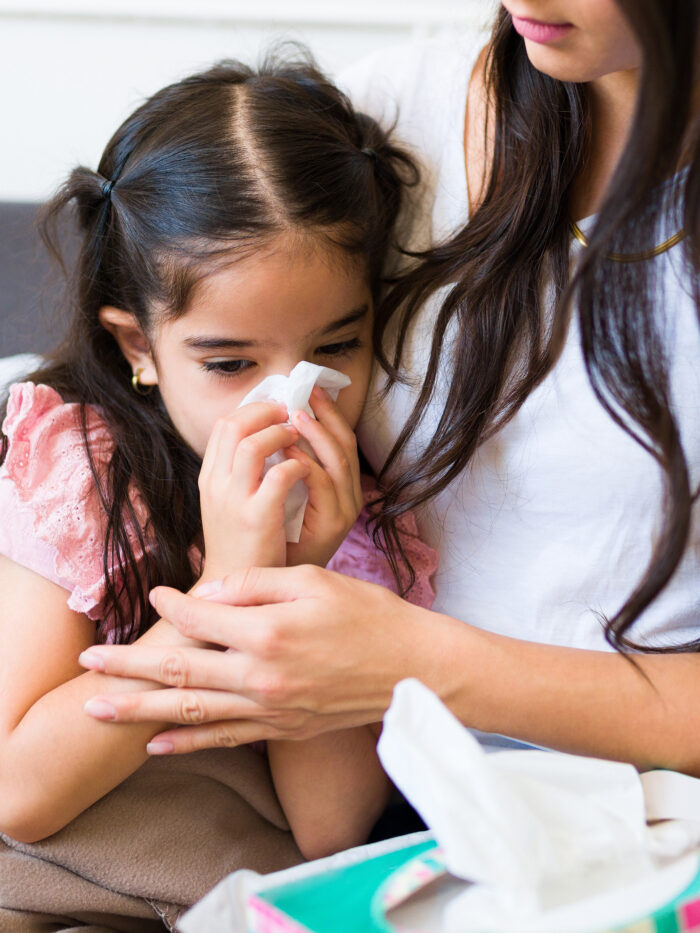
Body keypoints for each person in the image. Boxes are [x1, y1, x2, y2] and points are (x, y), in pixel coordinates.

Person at [78, 0, 700, 776]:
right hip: (414, 811)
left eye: (338, 344)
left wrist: (417, 663)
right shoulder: (385, 124)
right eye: (235, 362)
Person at [0, 50, 437, 874]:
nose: (291, 403)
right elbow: (19, 792)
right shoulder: (82, 471)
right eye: (231, 363)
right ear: (141, 346)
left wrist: (306, 570)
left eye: (335, 344)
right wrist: (226, 588)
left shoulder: (366, 508)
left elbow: (328, 829)